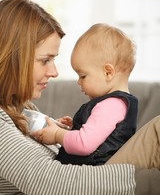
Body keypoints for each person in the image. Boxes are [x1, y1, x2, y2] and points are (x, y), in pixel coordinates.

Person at [0, 0, 159, 195]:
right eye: (45, 60)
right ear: (14, 58)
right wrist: (151, 182)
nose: (54, 71)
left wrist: (60, 131)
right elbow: (55, 183)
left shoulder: (21, 108)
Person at [33, 23, 138, 166]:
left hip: (91, 179)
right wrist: (73, 129)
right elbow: (97, 139)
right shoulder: (115, 104)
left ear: (108, 72)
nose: (79, 82)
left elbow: (84, 144)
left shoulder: (110, 106)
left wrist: (57, 134)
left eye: (83, 76)